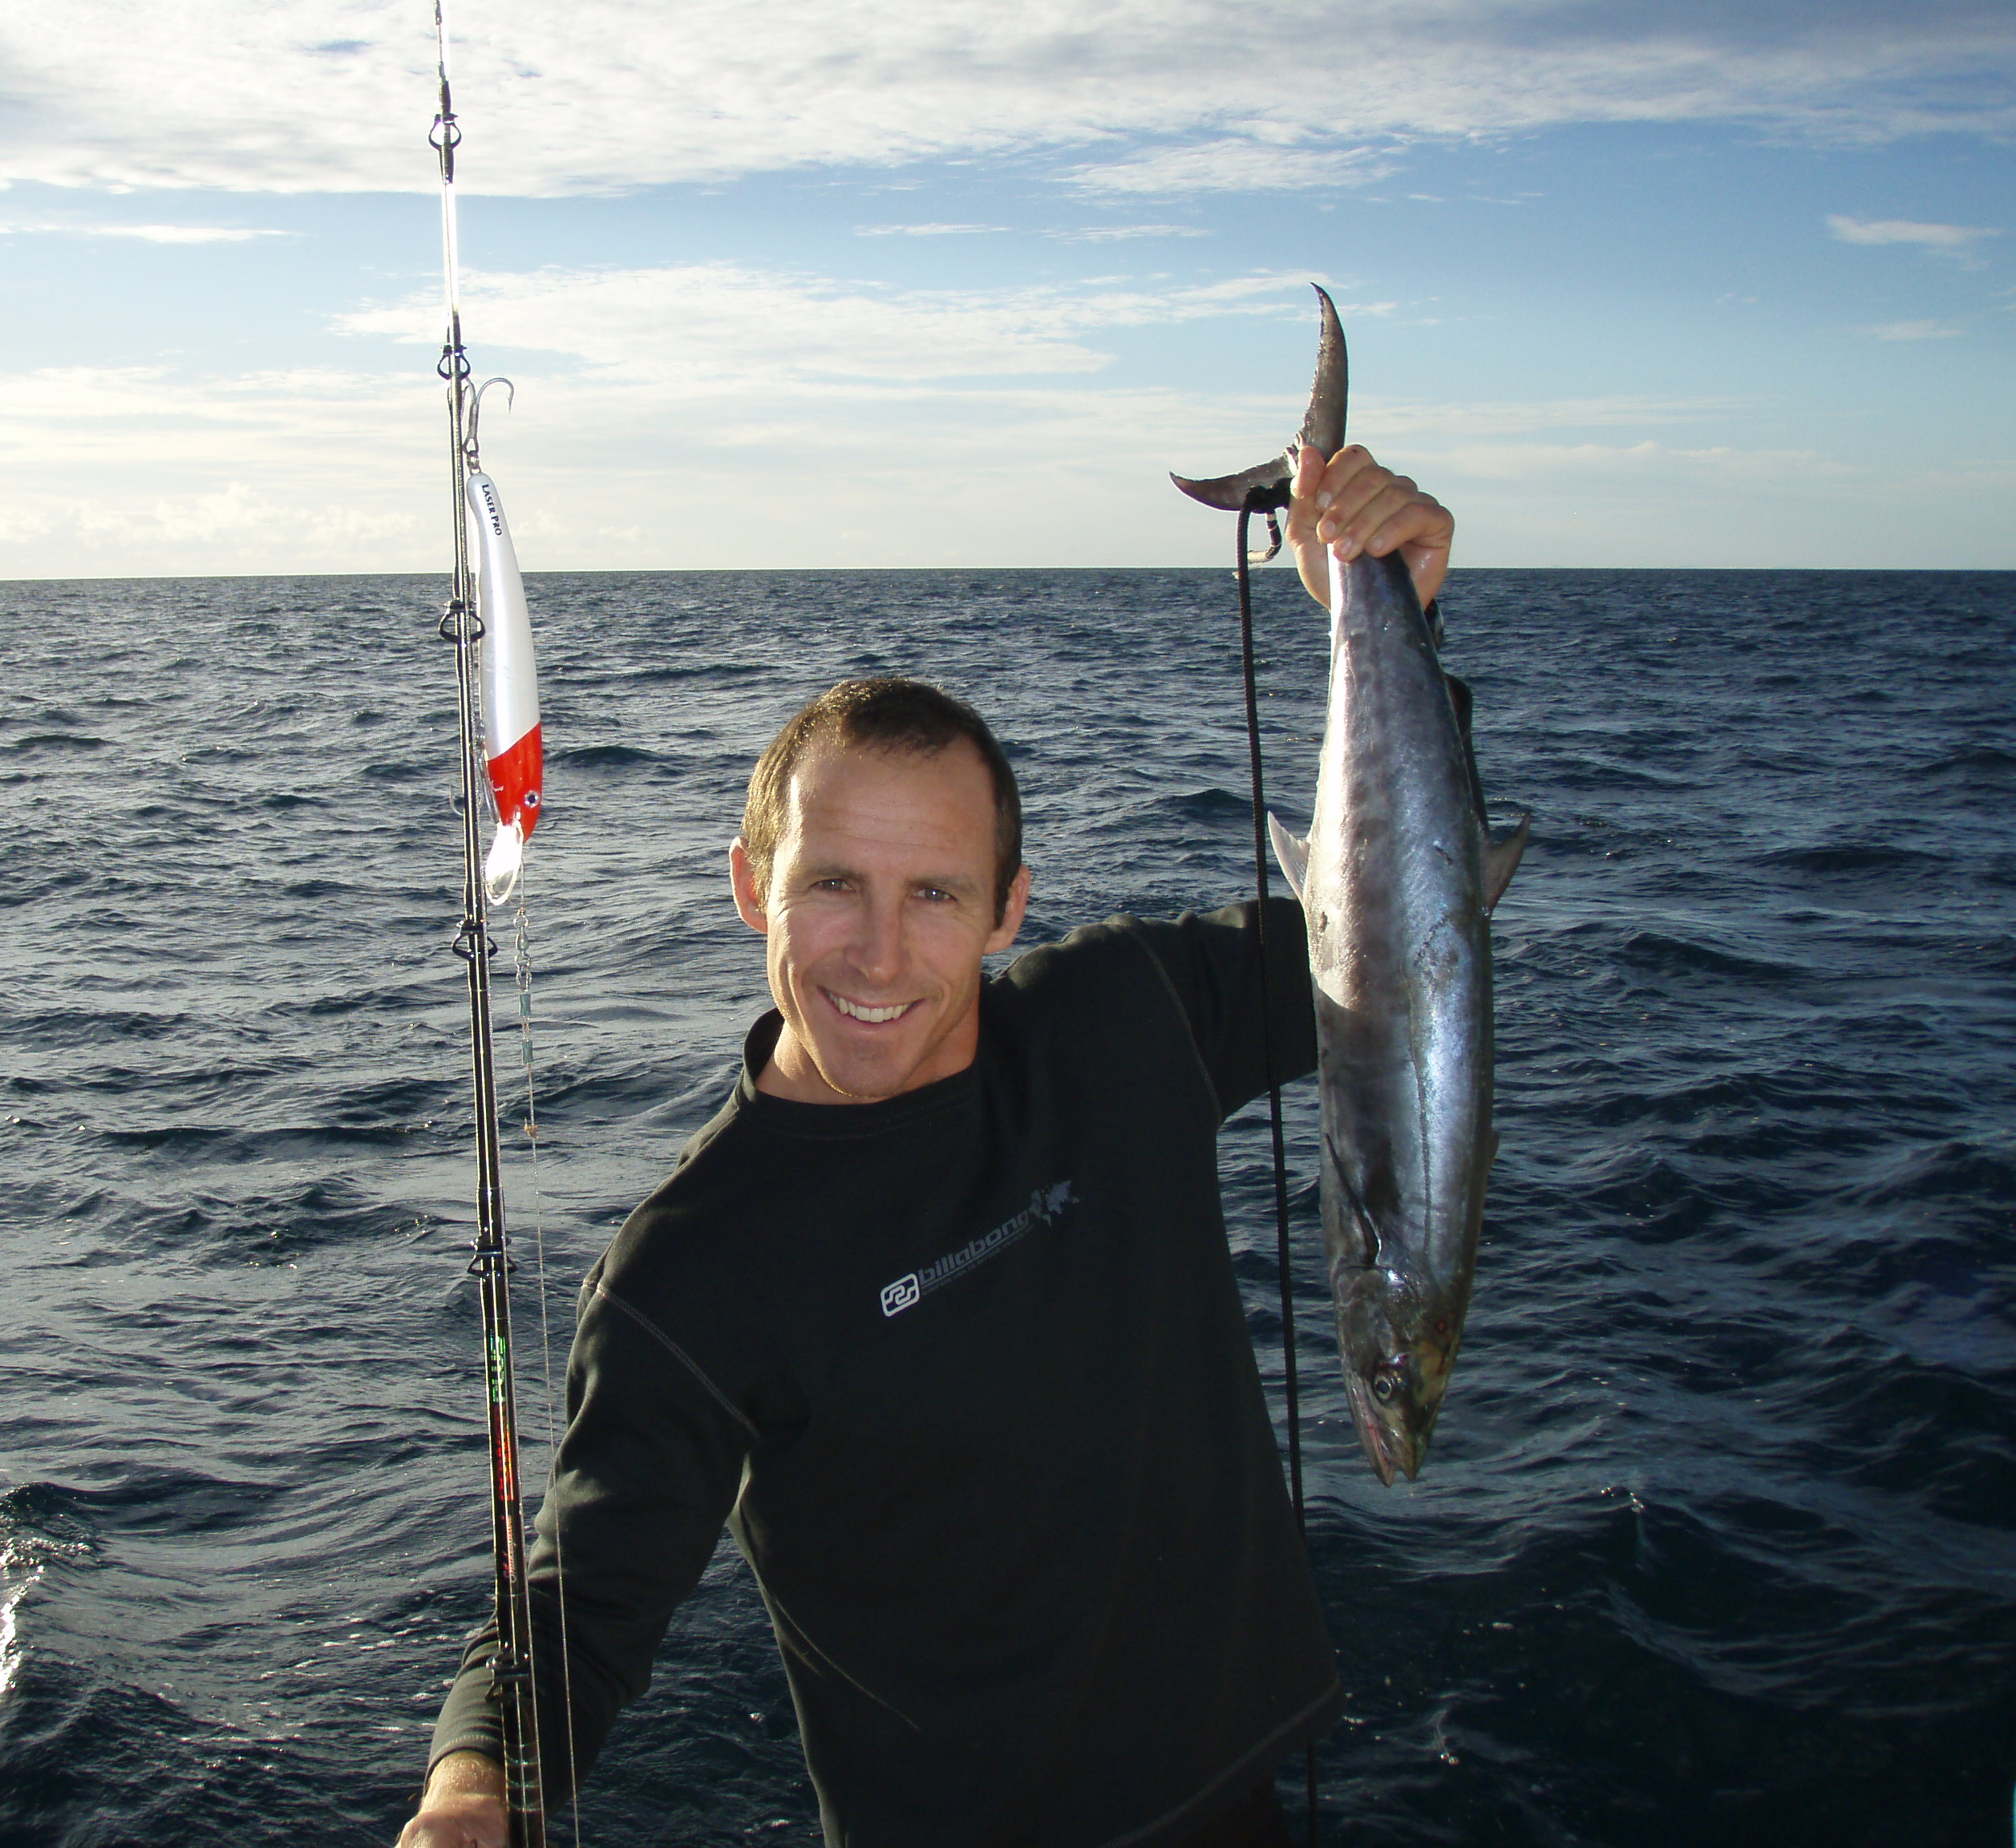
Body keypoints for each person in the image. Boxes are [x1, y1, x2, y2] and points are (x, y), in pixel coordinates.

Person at [399, 447, 1455, 1848]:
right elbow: (575, 1609)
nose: (882, 954)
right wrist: (475, 1789)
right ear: (750, 887)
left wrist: (1396, 619)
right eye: (834, 884)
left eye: (939, 894)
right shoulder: (689, 1274)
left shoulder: (1124, 1018)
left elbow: (1401, 948)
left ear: (1011, 907)